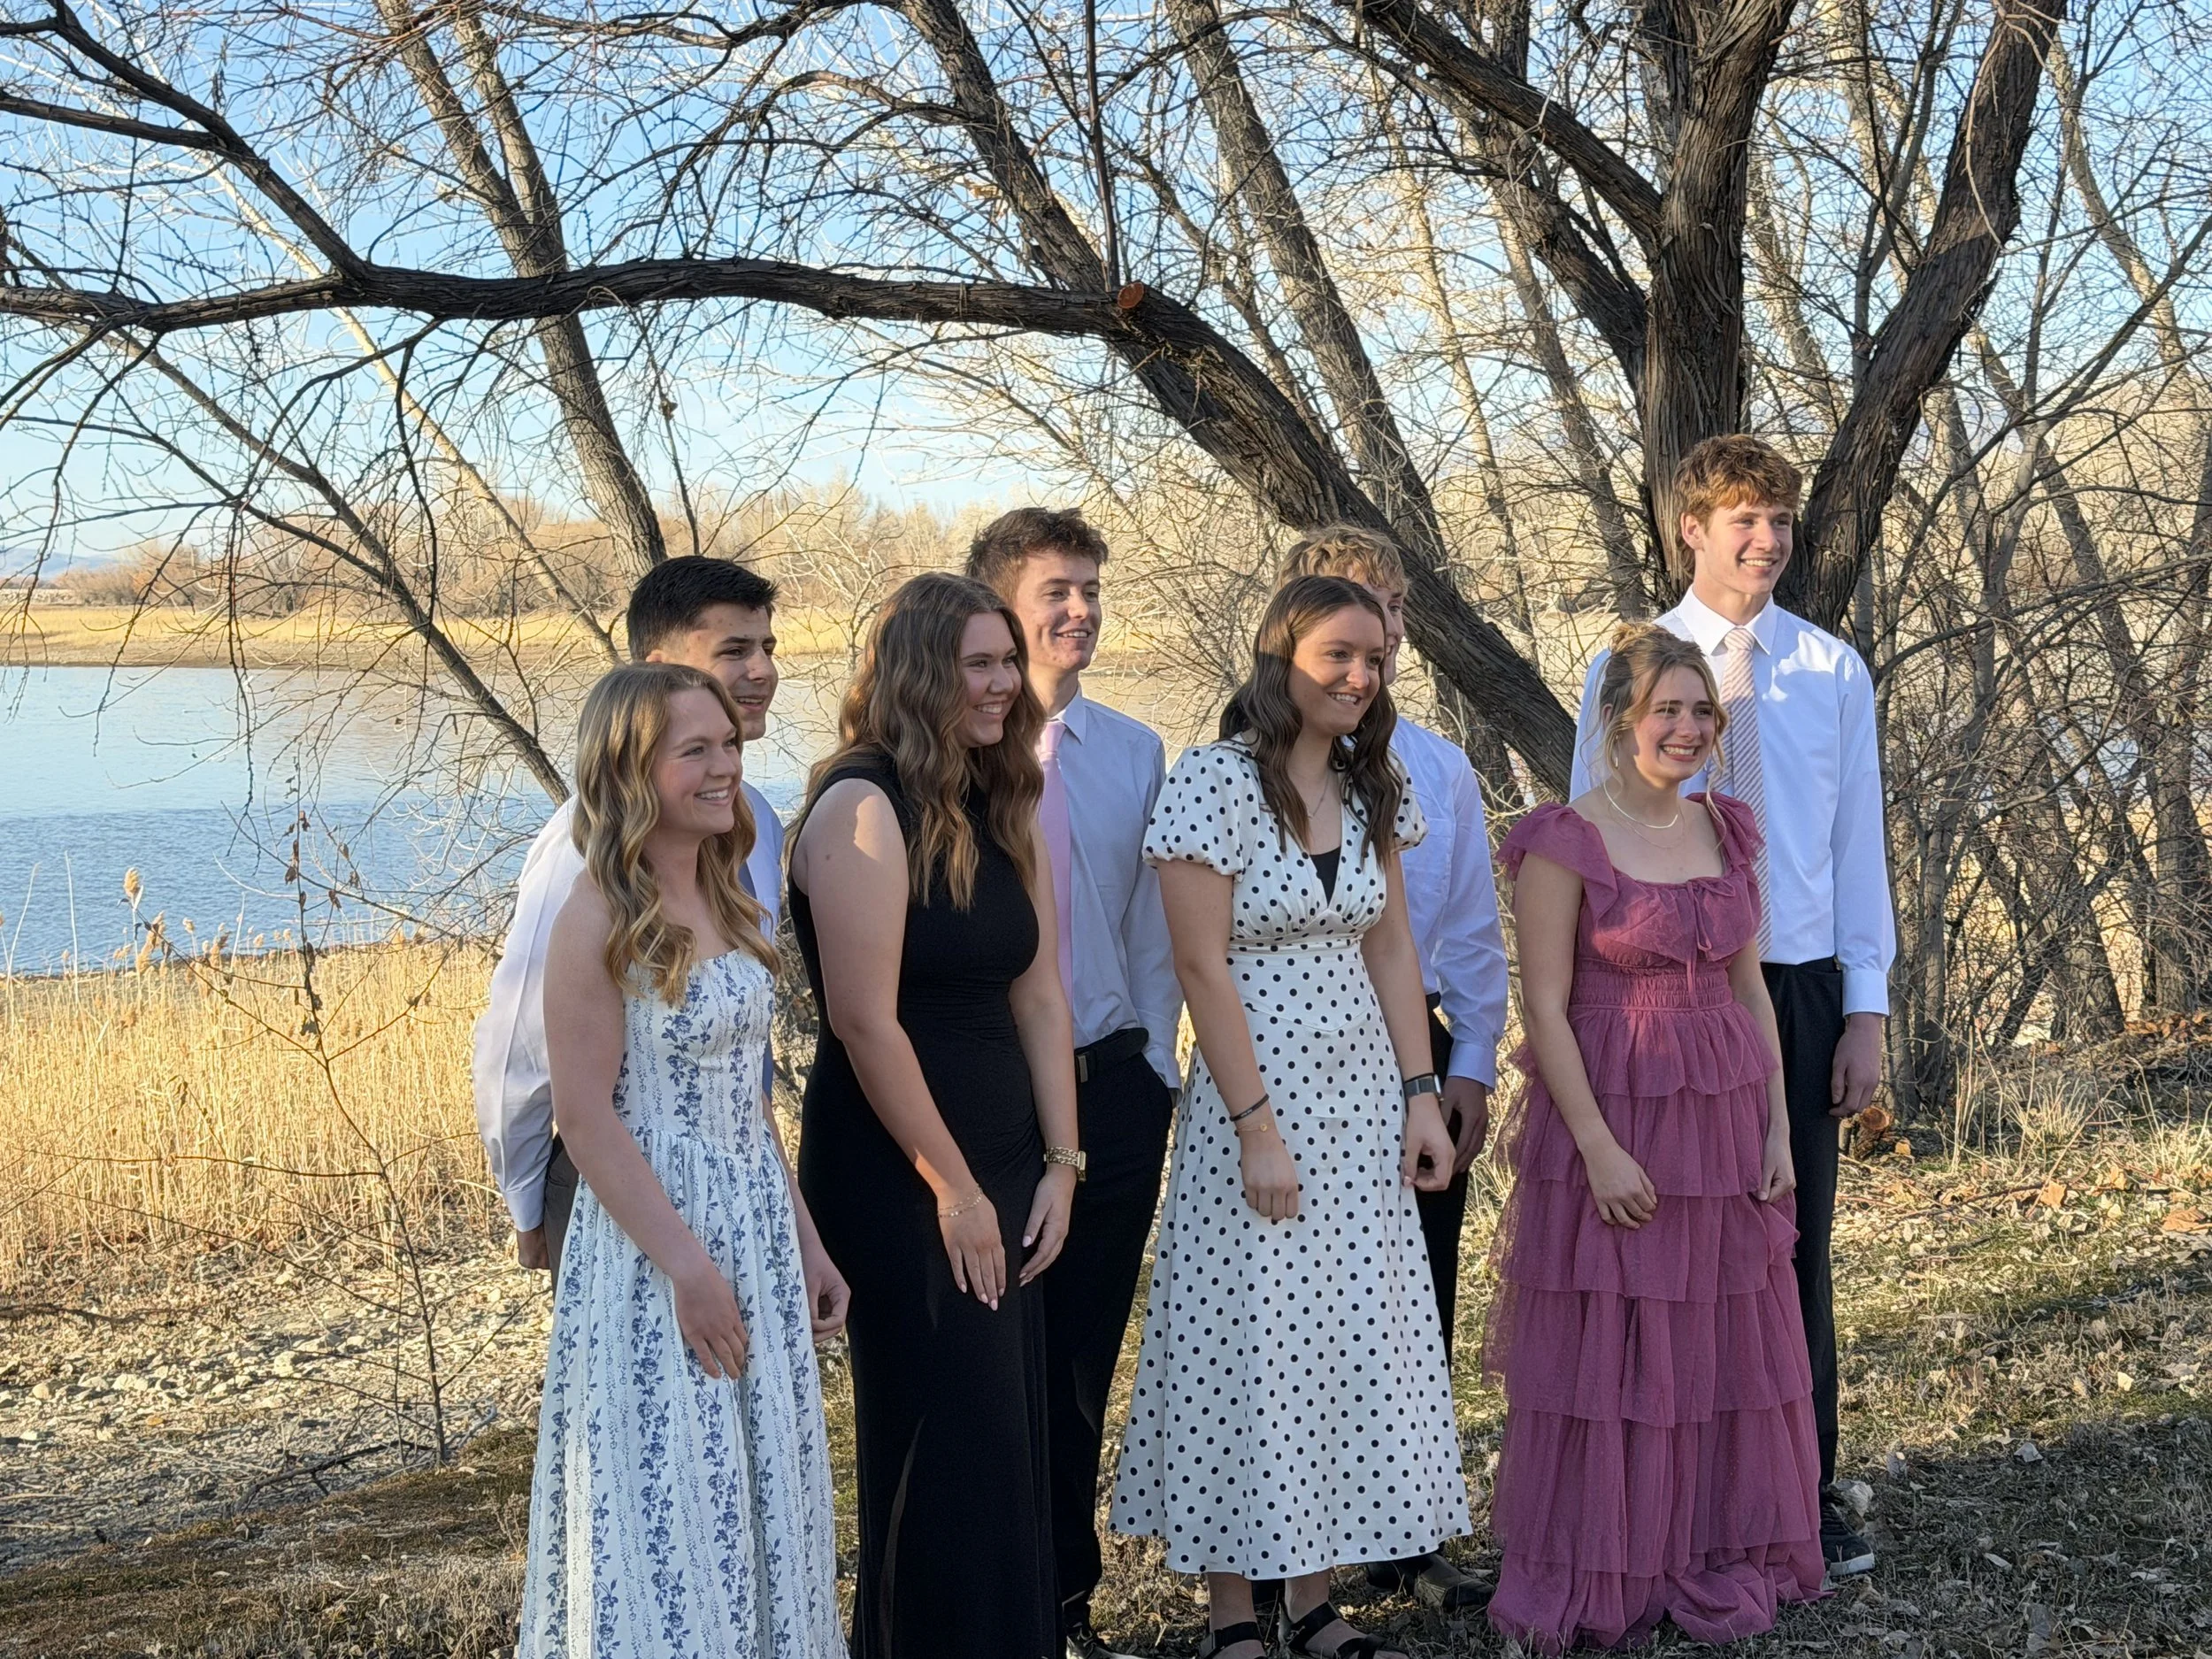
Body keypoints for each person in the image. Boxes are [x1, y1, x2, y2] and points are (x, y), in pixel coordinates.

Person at [1112, 576, 1466, 1659]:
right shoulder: (1210, 784)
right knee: (1246, 1341)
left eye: (1373, 658)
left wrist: (1421, 1096)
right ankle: (1232, 1615)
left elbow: (1391, 946)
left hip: (1362, 1102)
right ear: (1282, 660)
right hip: (1248, 1106)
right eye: (1335, 657)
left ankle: (1311, 1601)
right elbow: (1197, 966)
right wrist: (1257, 1125)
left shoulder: (1375, 788)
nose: (1360, 677)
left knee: (1340, 1341)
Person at [1569, 434, 1893, 1579]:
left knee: (1786, 1245)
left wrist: (1868, 1007)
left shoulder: (1830, 670)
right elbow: (1583, 834)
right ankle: (1672, 1494)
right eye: (1742, 519)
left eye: (1781, 522)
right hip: (1664, 994)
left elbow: (1861, 849)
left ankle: (1801, 1490)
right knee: (1669, 1248)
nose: (1765, 541)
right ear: (1689, 531)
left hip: (1794, 989)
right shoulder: (1631, 670)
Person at [1488, 625, 1822, 1649]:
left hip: (1722, 1108)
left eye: (1701, 712)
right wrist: (1593, 1146)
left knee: (1715, 1335)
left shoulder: (1728, 826)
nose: (1686, 729)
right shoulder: (1563, 837)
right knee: (1618, 1334)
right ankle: (1610, 1555)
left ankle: (1704, 1539)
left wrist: (1776, 1129)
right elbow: (1544, 1006)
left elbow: (1748, 988)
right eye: (1664, 710)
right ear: (1620, 719)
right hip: (1614, 1105)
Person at [518, 662, 846, 1658]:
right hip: (656, 1249)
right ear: (631, 768)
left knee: (761, 1493)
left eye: (730, 746)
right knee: (669, 1500)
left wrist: (810, 1244)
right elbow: (586, 1120)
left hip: (752, 1218)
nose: (724, 767)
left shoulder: (729, 890)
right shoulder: (592, 915)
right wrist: (690, 1271)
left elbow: (747, 1100)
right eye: (694, 750)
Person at [788, 572, 1082, 1659]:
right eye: (980, 664)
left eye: (1008, 660)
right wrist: (951, 1187)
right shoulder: (860, 806)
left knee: (1009, 1441)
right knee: (943, 1444)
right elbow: (866, 1024)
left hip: (1009, 1161)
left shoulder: (998, 798)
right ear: (919, 673)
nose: (1006, 682)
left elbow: (1040, 991)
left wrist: (1062, 1161)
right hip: (901, 1172)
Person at [474, 557, 823, 1291]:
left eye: (768, 648)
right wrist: (528, 1199)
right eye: (734, 651)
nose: (761, 670)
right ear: (660, 669)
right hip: (626, 1187)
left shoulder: (748, 817)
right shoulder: (584, 846)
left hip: (744, 1175)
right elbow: (520, 1037)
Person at [1275, 526, 1507, 1613]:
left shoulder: (1442, 768)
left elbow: (1465, 932)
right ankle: (1278, 1554)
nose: (1377, 645)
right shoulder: (1240, 768)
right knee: (1286, 1317)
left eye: (1395, 615)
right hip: (1290, 1066)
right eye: (1351, 617)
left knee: (1414, 1307)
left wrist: (1468, 1068)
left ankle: (1405, 1540)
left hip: (1410, 1061)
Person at [964, 508, 1182, 1659]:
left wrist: (1153, 1062)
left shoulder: (1137, 754)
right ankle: (991, 1613)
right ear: (999, 604)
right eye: (1056, 589)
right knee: (999, 1365)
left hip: (1114, 1087)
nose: (1081, 609)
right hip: (988, 1101)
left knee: (1085, 1362)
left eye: (1092, 587)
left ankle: (1064, 1608)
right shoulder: (945, 761)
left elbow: (1153, 930)